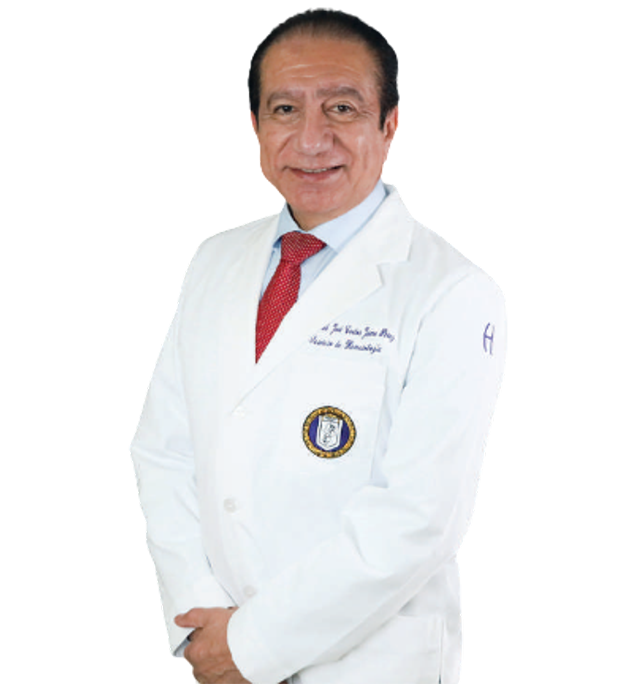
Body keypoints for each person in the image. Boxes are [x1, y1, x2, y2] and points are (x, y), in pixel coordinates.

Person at [130, 9, 507, 684]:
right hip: (213, 645)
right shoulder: (214, 259)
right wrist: (197, 618)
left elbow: (418, 519)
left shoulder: (452, 291)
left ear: (390, 126)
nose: (311, 139)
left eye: (342, 107)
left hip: (365, 665)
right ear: (254, 128)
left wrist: (251, 647)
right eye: (285, 109)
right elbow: (164, 451)